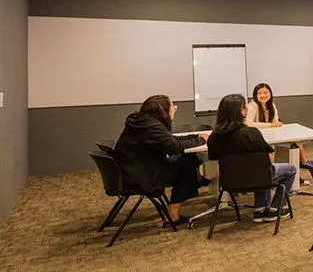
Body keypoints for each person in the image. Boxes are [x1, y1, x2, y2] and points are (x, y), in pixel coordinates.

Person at [113, 95, 207, 226]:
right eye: (173, 106)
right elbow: (174, 147)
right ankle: (174, 215)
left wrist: (195, 136)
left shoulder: (141, 122)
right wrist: (201, 140)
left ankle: (198, 181)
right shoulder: (152, 127)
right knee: (187, 163)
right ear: (163, 110)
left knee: (188, 160)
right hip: (143, 177)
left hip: (132, 171)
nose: (174, 109)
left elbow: (169, 140)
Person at [206, 94, 297, 223]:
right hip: (260, 177)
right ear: (242, 112)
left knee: (259, 169)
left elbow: (213, 156)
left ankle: (260, 209)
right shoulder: (252, 133)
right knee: (290, 169)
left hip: (230, 180)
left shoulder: (215, 137)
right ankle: (276, 208)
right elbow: (267, 157)